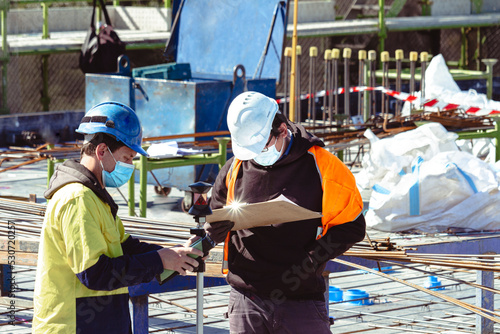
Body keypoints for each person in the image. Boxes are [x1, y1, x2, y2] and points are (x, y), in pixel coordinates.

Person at [33, 102, 203, 333]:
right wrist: (159, 260)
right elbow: (95, 273)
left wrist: (172, 253)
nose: (130, 165)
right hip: (73, 325)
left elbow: (126, 247)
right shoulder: (77, 198)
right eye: (127, 157)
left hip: (96, 322)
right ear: (102, 151)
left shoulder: (95, 197)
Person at [205, 91, 366, 333]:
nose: (257, 155)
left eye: (262, 146)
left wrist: (310, 260)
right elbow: (215, 214)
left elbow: (352, 225)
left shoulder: (323, 166)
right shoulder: (236, 167)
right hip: (246, 299)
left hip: (299, 300)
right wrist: (210, 233)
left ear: (281, 130)